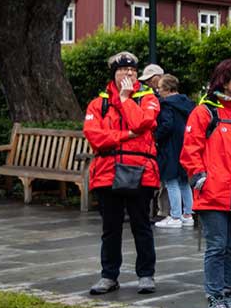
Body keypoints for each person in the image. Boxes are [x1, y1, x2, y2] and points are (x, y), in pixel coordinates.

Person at [181, 59, 231, 308]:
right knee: (217, 246)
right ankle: (215, 296)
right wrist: (201, 179)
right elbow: (190, 150)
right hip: (213, 194)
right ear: (224, 81)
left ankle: (227, 294)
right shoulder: (205, 112)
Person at [84, 51, 161, 295]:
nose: (128, 74)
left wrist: (127, 99)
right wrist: (125, 136)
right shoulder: (99, 103)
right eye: (122, 71)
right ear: (113, 74)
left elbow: (142, 123)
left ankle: (146, 275)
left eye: (133, 71)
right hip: (107, 171)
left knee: (142, 225)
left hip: (142, 171)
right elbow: (95, 136)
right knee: (111, 228)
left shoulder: (148, 98)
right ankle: (109, 276)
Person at [152, 74, 196, 228]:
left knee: (171, 181)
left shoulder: (166, 105)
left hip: (170, 147)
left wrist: (155, 137)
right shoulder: (188, 103)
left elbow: (166, 125)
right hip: (185, 145)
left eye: (160, 88)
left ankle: (175, 216)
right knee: (184, 181)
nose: (158, 91)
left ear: (167, 89)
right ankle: (188, 214)